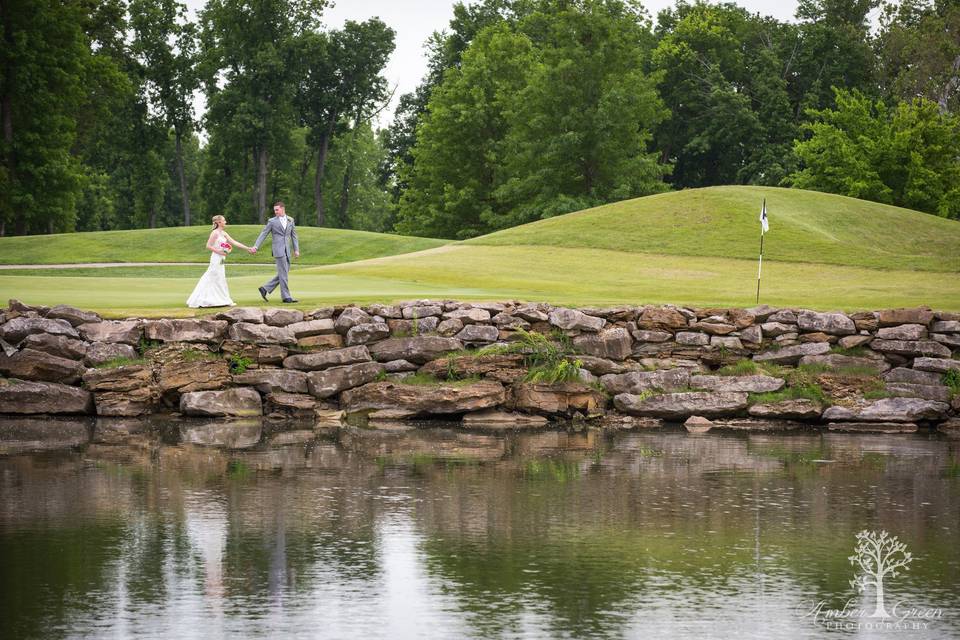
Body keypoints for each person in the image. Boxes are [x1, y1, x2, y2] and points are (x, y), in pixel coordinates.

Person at [186, 215, 254, 308]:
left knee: (220, 277)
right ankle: (206, 299)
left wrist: (247, 248)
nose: (225, 222)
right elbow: (208, 245)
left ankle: (223, 299)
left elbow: (234, 242)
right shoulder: (215, 233)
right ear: (218, 222)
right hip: (216, 258)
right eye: (224, 220)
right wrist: (220, 251)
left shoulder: (224, 233)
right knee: (213, 276)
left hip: (221, 258)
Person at [251, 201, 300, 303]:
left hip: (288, 250)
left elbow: (294, 235)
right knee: (284, 274)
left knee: (283, 273)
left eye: (277, 210)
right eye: (275, 210)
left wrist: (296, 249)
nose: (275, 212)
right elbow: (263, 234)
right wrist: (256, 246)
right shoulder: (272, 221)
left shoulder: (291, 220)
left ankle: (265, 288)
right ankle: (286, 297)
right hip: (278, 250)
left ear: (283, 209)